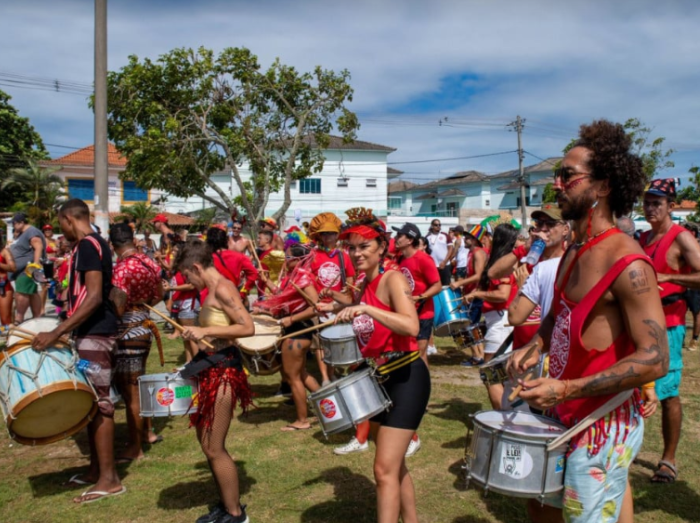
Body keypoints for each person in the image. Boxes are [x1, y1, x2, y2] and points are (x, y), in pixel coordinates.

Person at [507, 119, 668, 523]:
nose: (556, 183)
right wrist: (535, 346)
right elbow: (558, 317)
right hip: (565, 416)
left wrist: (566, 388)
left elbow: (655, 359)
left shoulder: (627, 262)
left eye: (567, 175)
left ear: (603, 186)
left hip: (603, 423)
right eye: (557, 175)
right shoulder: (573, 252)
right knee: (540, 508)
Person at [319, 207, 428, 523]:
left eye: (363, 246)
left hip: (407, 376)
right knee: (394, 467)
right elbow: (364, 310)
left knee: (382, 469)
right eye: (351, 247)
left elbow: (410, 326)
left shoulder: (392, 278)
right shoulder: (365, 284)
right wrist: (341, 305)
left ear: (382, 247)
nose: (355, 253)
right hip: (379, 378)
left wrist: (364, 307)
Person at [32, 198, 123, 504]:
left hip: (96, 335)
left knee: (100, 403)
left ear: (70, 219)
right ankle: (95, 469)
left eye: (62, 224)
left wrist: (56, 332)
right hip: (88, 333)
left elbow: (95, 296)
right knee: (90, 402)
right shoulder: (93, 245)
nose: (62, 230)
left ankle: (110, 479)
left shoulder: (88, 245)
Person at [175, 240, 254, 523]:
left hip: (225, 371)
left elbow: (248, 326)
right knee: (204, 439)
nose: (188, 282)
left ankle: (236, 515)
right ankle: (225, 503)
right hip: (209, 368)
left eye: (188, 276)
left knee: (214, 446)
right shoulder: (210, 291)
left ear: (196, 267)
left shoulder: (223, 287)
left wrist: (204, 328)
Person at [639, 178, 700, 484]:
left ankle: (669, 460)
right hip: (639, 326)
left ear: (671, 206)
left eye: (656, 203)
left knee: (668, 395)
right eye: (647, 202)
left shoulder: (682, 238)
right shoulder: (643, 238)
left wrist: (666, 275)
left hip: (671, 326)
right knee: (634, 388)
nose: (650, 208)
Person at [109, 223, 165, 462]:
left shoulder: (121, 269)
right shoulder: (149, 262)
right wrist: (142, 302)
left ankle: (135, 446)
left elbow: (119, 307)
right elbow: (159, 295)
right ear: (132, 239)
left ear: (113, 246)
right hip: (144, 328)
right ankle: (148, 433)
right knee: (138, 385)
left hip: (128, 333)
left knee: (131, 391)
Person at [256, 232, 321, 431]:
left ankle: (302, 420)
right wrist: (266, 282)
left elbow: (315, 306)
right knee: (301, 374)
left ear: (298, 259)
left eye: (288, 256)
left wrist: (290, 319)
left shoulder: (305, 279)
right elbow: (283, 296)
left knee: (293, 377)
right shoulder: (293, 277)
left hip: (298, 332)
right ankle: (330, 406)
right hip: (294, 331)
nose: (285, 259)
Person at [463, 224, 518, 408]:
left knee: (491, 375)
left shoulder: (503, 262)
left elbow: (502, 294)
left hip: (501, 321)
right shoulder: (504, 260)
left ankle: (501, 417)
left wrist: (477, 294)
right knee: (501, 376)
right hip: (500, 320)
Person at [308, 212, 356, 385]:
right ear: (319, 236)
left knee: (335, 341)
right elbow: (307, 282)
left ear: (337, 235)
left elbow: (350, 280)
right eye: (324, 233)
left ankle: (333, 371)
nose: (328, 236)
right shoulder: (312, 256)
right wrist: (316, 303)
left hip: (337, 306)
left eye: (331, 233)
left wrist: (346, 292)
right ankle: (326, 378)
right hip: (319, 306)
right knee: (320, 344)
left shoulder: (343, 256)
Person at [9, 213, 46, 324]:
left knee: (22, 292)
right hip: (22, 270)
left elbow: (38, 246)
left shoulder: (31, 232)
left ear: (21, 222)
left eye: (14, 224)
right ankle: (37, 318)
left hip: (27, 270)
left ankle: (19, 318)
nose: (13, 226)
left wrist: (35, 264)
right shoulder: (23, 233)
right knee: (32, 292)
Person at [206, 227, 258, 305]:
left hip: (211, 299)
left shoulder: (205, 258)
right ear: (226, 241)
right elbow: (254, 274)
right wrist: (243, 293)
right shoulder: (240, 256)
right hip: (234, 295)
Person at [451, 225, 488, 327]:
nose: (464, 239)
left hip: (475, 293)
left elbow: (479, 276)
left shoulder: (478, 253)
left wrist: (459, 282)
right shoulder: (471, 252)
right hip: (471, 292)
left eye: (467, 238)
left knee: (470, 327)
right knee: (468, 326)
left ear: (475, 240)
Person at [425, 218, 454, 286]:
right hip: (433, 265)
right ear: (432, 226)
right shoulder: (427, 237)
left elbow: (450, 249)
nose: (438, 226)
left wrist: (445, 261)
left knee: (446, 285)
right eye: (436, 225)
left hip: (445, 265)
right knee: (434, 285)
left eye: (439, 225)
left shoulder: (445, 235)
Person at [0, 236, 16, 328]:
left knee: (5, 319)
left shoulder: (4, 251)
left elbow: (13, 268)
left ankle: (8, 340)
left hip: (3, 287)